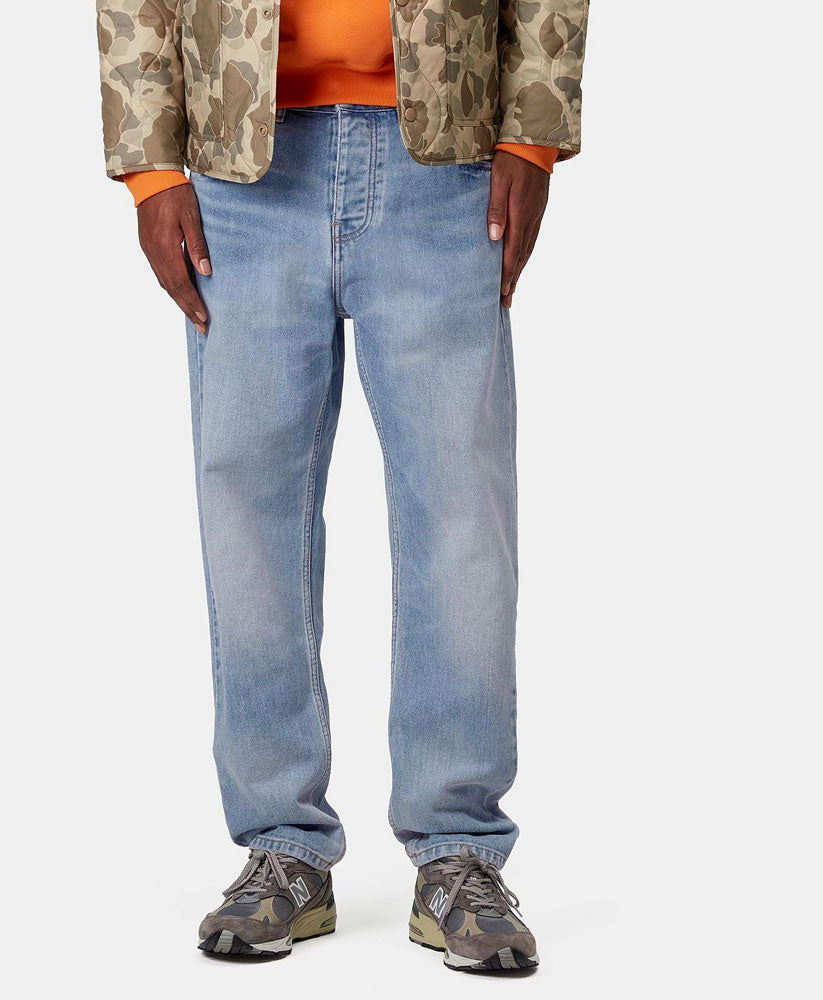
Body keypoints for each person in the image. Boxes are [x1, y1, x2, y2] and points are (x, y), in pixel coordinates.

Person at [97, 0, 588, 973]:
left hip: (445, 157)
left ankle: (458, 850)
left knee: (461, 512)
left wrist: (532, 136)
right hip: (242, 167)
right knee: (249, 511)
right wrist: (150, 167)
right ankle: (282, 843)